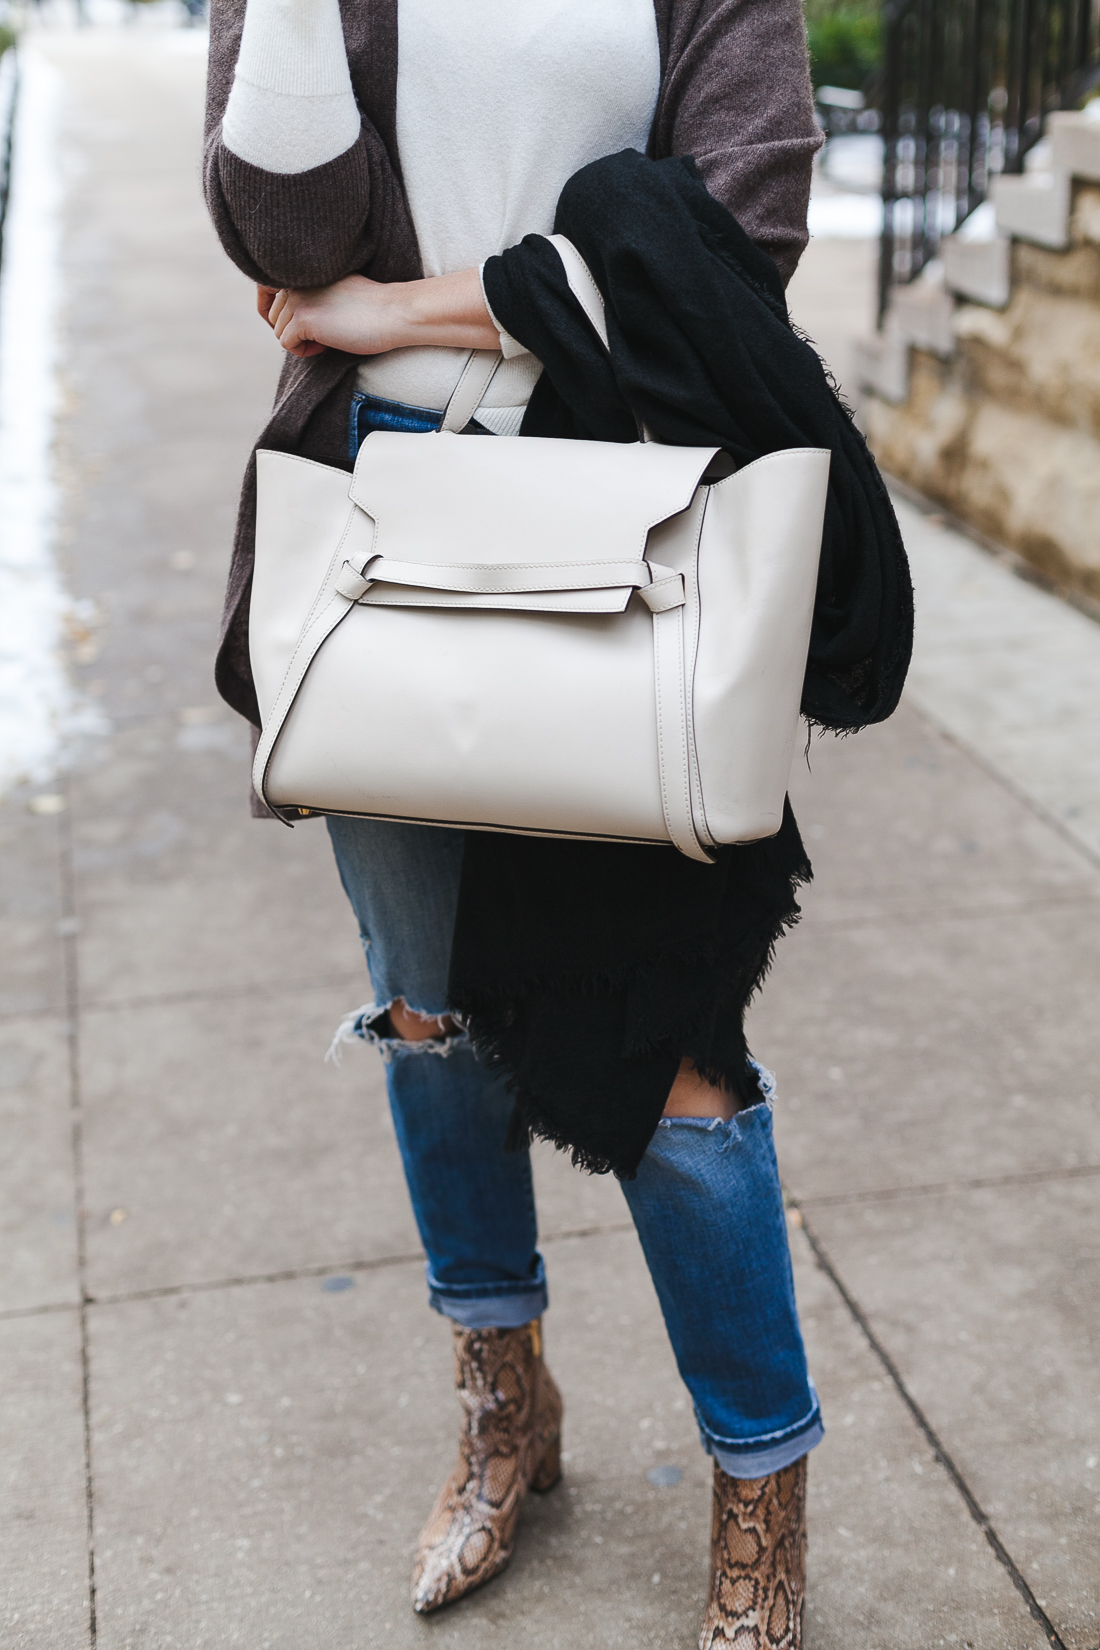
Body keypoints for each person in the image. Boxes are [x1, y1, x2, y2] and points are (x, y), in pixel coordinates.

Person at [203, 3, 831, 1642]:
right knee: (429, 1012)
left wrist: (406, 303)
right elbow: (276, 234)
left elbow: (738, 231)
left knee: (672, 1045)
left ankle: (761, 1482)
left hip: (620, 514)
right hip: (383, 508)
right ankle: (505, 1407)